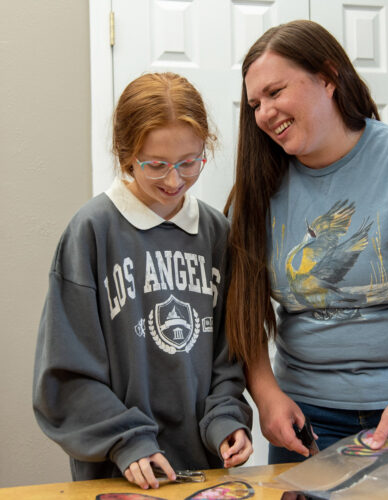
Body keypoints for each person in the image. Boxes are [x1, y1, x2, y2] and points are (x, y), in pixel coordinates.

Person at [224, 20, 388, 466]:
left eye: (276, 91)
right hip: (310, 418)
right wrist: (266, 397)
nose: (264, 112)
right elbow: (244, 312)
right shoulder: (256, 192)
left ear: (328, 77)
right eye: (254, 103)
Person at [33, 72, 252, 490]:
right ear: (125, 155)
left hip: (205, 475)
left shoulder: (216, 233)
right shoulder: (91, 231)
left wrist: (227, 421)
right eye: (156, 165)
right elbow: (65, 374)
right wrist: (127, 439)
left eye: (190, 162)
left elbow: (230, 355)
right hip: (121, 476)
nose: (174, 181)